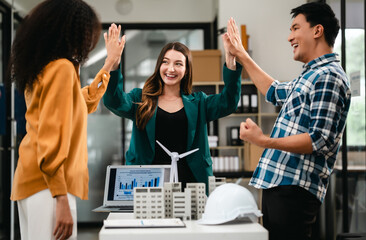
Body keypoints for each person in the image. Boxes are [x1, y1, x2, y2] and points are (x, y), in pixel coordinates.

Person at [224, 2, 351, 240]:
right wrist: (241, 54)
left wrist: (264, 140)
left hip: (295, 189)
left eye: (295, 28)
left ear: (317, 30)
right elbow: (274, 91)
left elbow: (319, 139)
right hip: (281, 186)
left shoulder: (329, 76)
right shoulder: (310, 74)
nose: (289, 37)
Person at [7, 0, 125, 239]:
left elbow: (78, 106)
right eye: (86, 33)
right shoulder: (61, 69)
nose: (88, 41)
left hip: (33, 181)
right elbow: (51, 138)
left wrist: (108, 66)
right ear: (71, 32)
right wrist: (60, 198)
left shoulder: (46, 67)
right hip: (49, 187)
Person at [103, 26, 242, 192]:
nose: (171, 69)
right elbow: (114, 101)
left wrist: (231, 59)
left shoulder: (199, 103)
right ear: (158, 65)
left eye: (178, 64)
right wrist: (113, 61)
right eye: (165, 62)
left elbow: (228, 102)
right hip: (146, 183)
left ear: (186, 70)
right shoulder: (140, 99)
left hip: (191, 183)